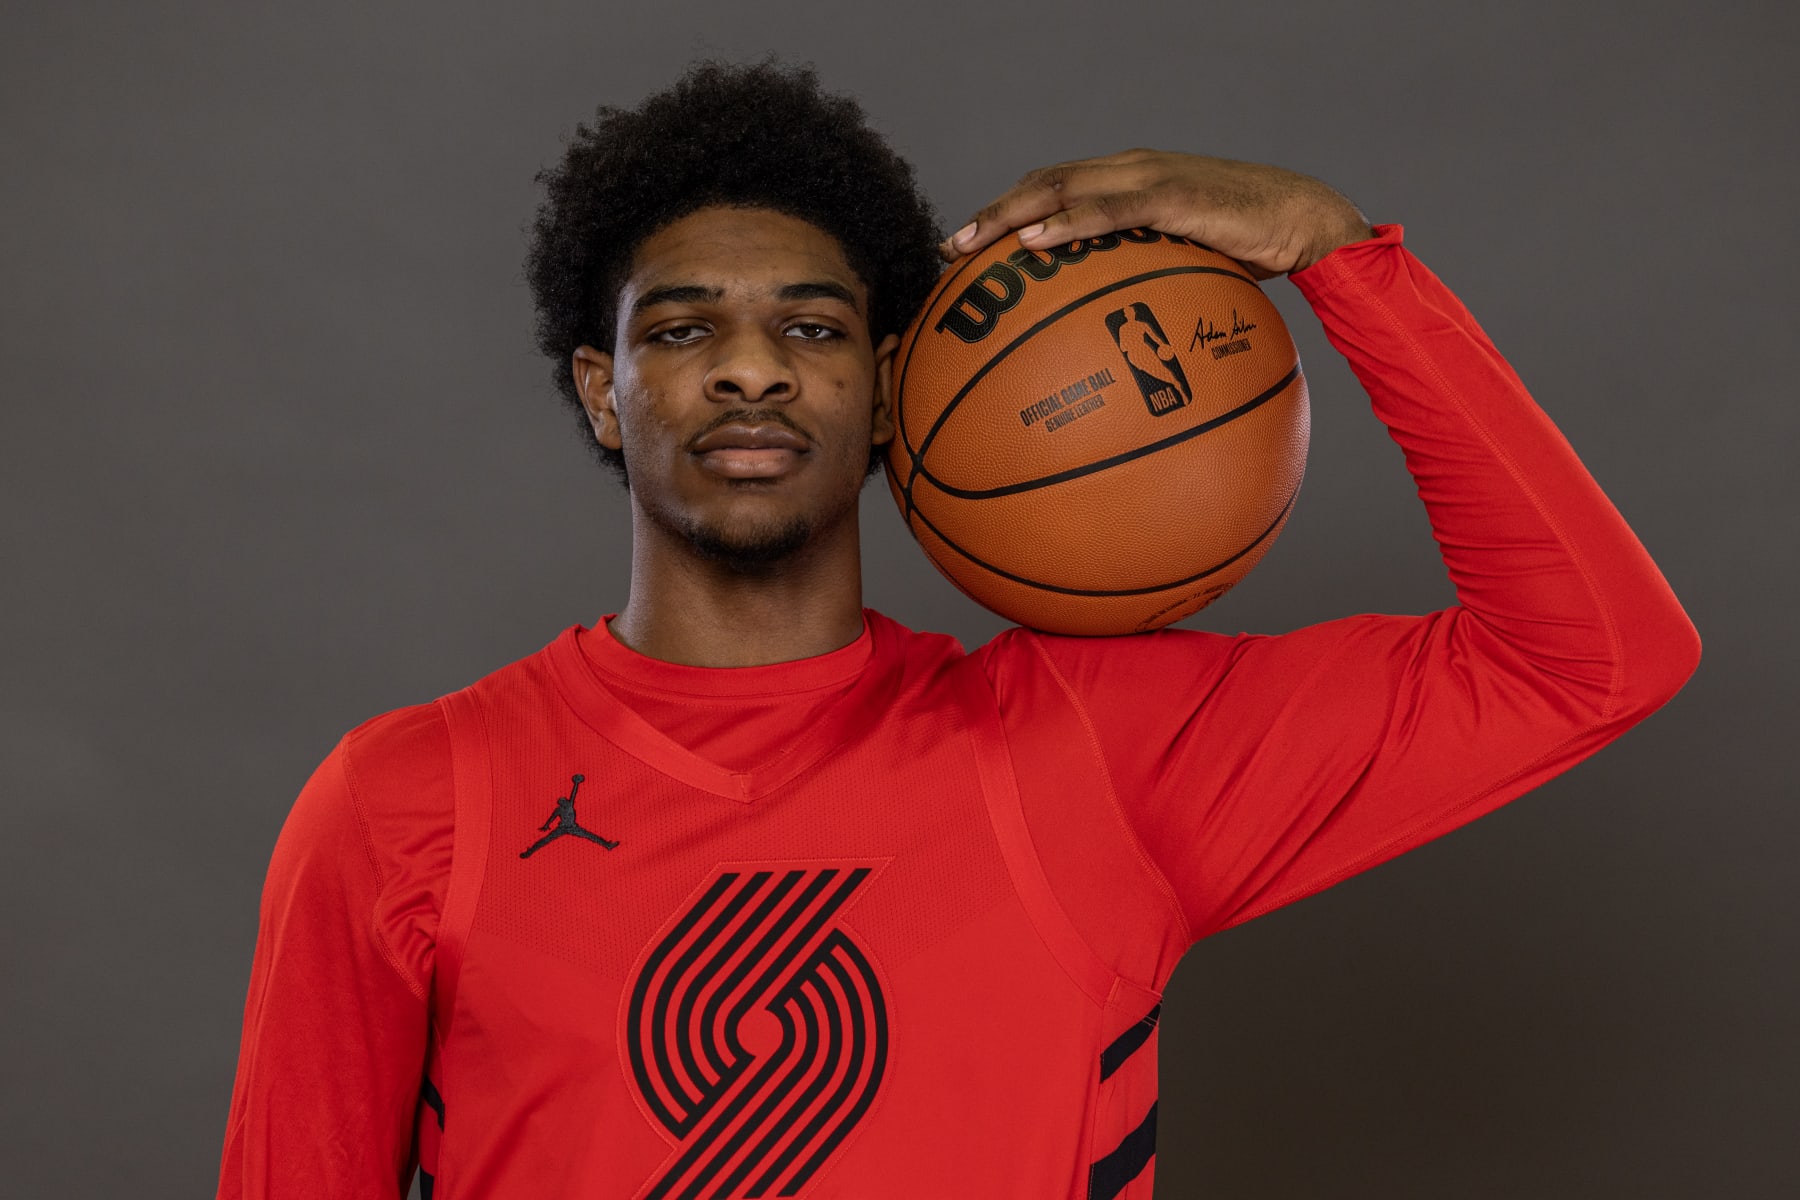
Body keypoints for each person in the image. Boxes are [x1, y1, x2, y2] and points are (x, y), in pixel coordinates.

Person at [215, 61, 1700, 1200]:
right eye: (679, 330)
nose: (749, 371)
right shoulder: (409, 802)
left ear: (885, 390)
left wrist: (1336, 254)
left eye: (811, 327)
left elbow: (1593, 656)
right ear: (606, 392)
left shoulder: (1094, 748)